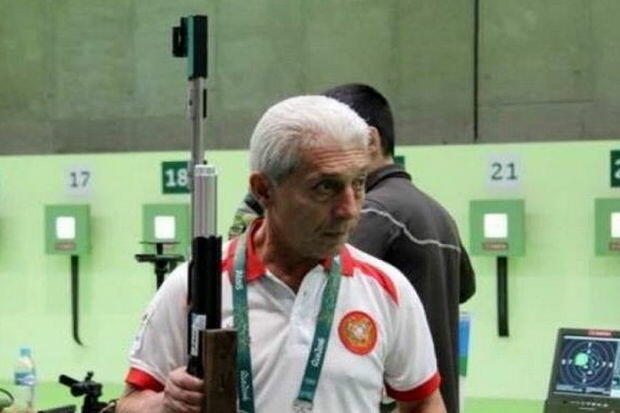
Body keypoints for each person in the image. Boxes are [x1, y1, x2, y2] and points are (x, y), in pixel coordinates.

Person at [118, 95, 446, 413]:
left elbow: (423, 402)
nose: (349, 209)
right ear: (264, 190)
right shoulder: (196, 286)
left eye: (358, 184)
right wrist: (165, 404)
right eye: (325, 187)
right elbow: (130, 402)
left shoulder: (386, 289)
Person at [323, 84, 476, 413]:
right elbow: (465, 289)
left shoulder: (372, 214)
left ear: (370, 140)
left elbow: (322, 294)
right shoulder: (438, 213)